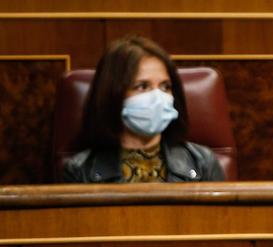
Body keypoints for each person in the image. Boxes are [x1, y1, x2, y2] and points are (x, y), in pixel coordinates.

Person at [64, 36, 224, 183]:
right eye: (142, 86)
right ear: (113, 94)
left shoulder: (203, 164)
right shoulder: (80, 171)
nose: (158, 97)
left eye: (165, 87)